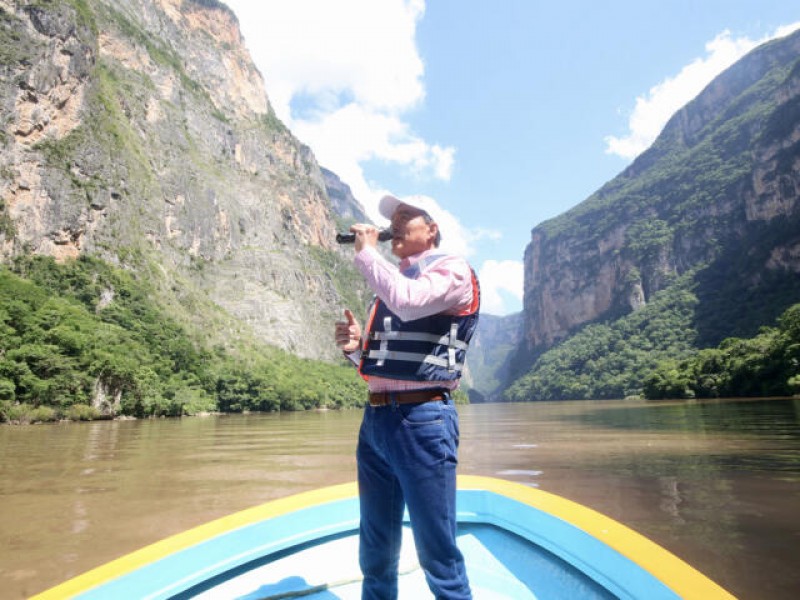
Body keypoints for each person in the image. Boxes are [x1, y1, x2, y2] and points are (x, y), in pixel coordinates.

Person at [335, 194, 479, 599]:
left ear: (431, 229)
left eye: (404, 217)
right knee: (376, 549)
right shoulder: (389, 288)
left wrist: (366, 253)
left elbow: (411, 303)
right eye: (391, 220)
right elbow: (377, 369)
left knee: (437, 552)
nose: (394, 225)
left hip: (423, 420)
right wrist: (353, 349)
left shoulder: (451, 270)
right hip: (377, 422)